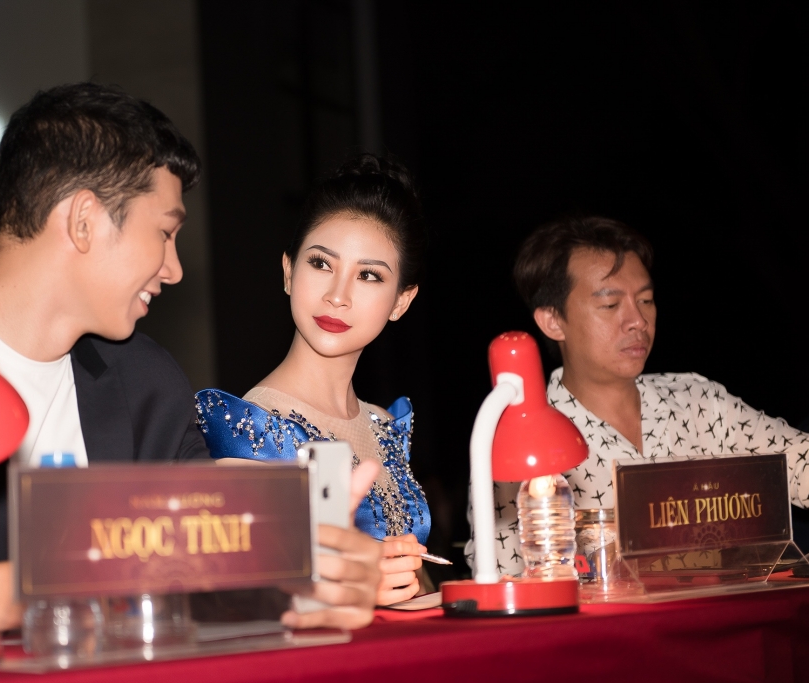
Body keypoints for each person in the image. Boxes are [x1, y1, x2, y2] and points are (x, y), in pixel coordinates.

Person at [0, 83, 380, 650]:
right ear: (84, 220)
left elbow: (207, 572)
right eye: (165, 233)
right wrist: (8, 593)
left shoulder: (148, 383)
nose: (174, 269)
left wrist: (304, 578)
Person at [469, 215, 809, 575]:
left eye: (645, 300)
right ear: (553, 321)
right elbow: (500, 575)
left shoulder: (699, 403)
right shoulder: (517, 440)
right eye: (610, 305)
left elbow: (801, 464)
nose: (638, 321)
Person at [197, 154, 432, 606]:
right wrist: (351, 588)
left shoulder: (385, 427)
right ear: (289, 271)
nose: (337, 295)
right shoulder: (250, 430)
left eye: (368, 275)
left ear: (401, 301)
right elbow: (241, 601)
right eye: (322, 264)